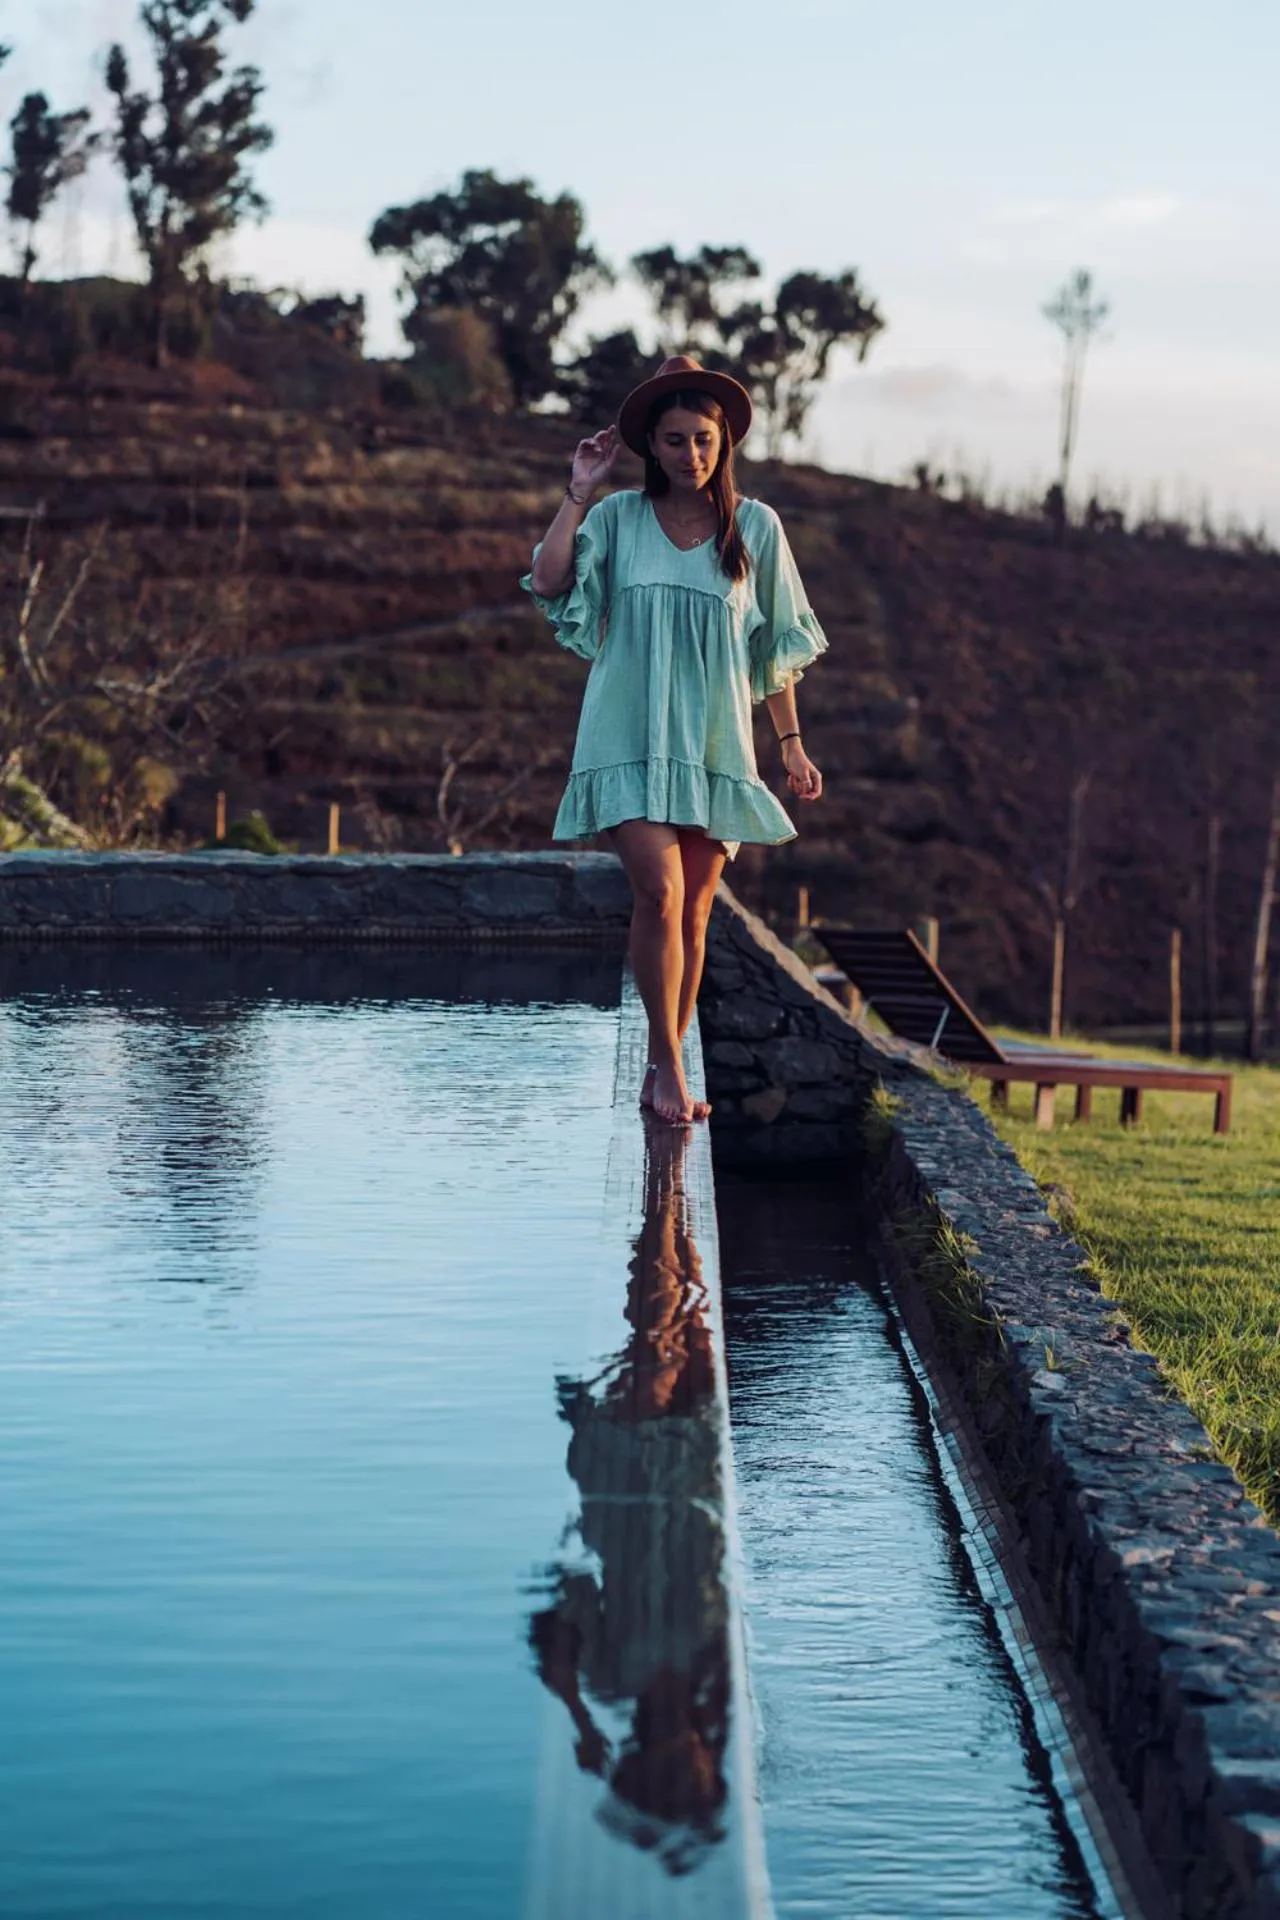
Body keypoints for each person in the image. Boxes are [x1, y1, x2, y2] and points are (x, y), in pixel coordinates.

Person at [523, 354, 827, 1126]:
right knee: (657, 894)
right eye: (672, 440)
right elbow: (551, 581)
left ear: (723, 442)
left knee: (694, 912)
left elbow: (775, 651)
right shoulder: (619, 518)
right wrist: (579, 490)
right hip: (626, 734)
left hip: (716, 744)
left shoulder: (755, 527)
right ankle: (664, 1065)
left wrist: (790, 743)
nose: (689, 454)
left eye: (702, 439)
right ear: (649, 446)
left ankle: (669, 1057)